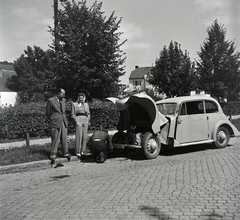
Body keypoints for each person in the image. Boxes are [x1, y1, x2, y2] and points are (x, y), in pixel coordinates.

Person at [46, 88, 70, 162]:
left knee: (64, 138)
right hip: (55, 121)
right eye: (63, 93)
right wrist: (53, 118)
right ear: (58, 93)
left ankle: (65, 152)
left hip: (63, 121)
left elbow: (63, 111)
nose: (64, 95)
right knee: (55, 138)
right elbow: (48, 113)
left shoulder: (64, 100)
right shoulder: (51, 100)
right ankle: (53, 153)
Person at [71, 93, 90, 158]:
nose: (81, 99)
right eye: (80, 98)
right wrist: (76, 121)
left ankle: (83, 151)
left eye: (82, 98)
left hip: (85, 119)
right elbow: (72, 114)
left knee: (84, 136)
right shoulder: (74, 104)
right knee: (79, 136)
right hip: (78, 119)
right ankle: (77, 151)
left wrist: (87, 119)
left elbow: (88, 113)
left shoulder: (86, 104)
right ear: (78, 98)